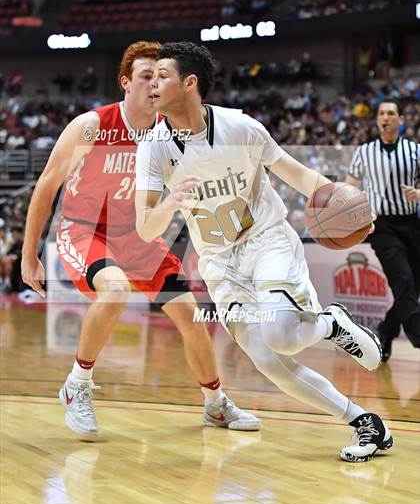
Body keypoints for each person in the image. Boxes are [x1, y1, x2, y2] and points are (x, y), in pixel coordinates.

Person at [135, 42, 393, 463]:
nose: (152, 83)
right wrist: (168, 202)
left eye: (162, 75)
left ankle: (330, 323)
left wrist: (355, 208)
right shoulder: (154, 146)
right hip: (220, 263)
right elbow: (146, 228)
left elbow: (297, 174)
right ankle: (364, 422)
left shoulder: (241, 128)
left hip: (266, 241)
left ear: (190, 83)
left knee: (279, 335)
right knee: (267, 359)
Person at [21, 41, 260, 441]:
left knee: (191, 316)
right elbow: (46, 187)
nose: (154, 85)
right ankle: (77, 384)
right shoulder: (91, 126)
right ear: (125, 83)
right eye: (146, 76)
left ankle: (215, 404)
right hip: (84, 230)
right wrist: (29, 255)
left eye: (160, 77)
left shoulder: (171, 135)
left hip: (137, 236)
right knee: (114, 290)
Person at [346, 99, 420, 361]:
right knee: (403, 279)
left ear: (401, 120)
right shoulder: (364, 152)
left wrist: (418, 193)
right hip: (382, 226)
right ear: (377, 120)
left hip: (412, 223)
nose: (385, 117)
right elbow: (349, 187)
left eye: (391, 113)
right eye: (381, 114)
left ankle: (386, 330)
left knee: (414, 285)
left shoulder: (414, 150)